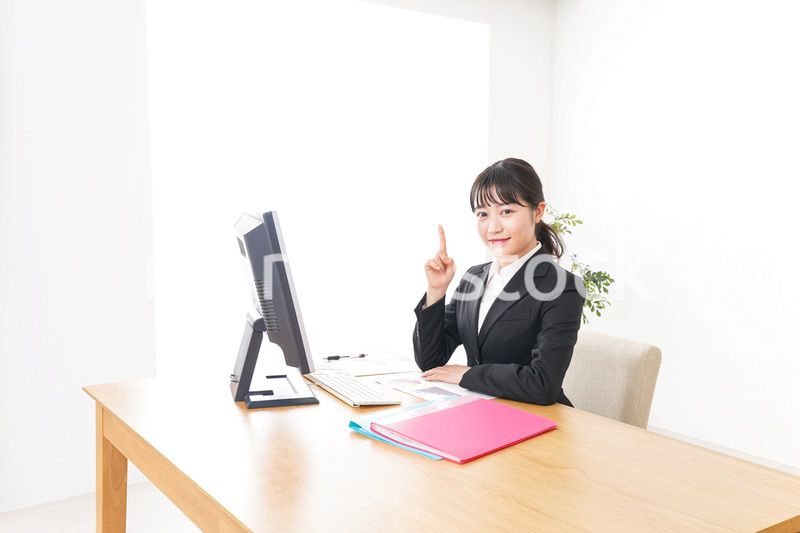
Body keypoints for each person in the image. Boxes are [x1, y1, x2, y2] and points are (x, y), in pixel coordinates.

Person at [412, 158, 585, 406]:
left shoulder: (562, 287)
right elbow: (431, 361)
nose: (493, 227)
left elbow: (543, 384)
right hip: (482, 410)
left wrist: (468, 374)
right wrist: (436, 291)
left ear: (538, 212)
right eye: (483, 214)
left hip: (537, 420)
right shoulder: (474, 278)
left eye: (507, 212)